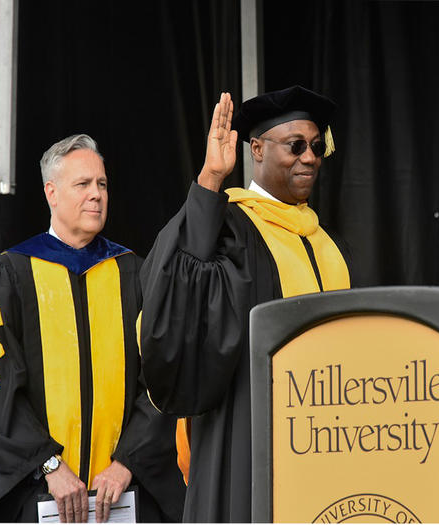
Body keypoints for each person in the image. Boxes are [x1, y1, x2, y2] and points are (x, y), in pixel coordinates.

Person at [139, 85, 352, 522]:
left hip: (328, 440)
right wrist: (211, 181)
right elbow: (177, 289)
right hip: (249, 437)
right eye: (295, 145)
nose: (308, 157)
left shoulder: (325, 242)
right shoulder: (232, 225)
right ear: (256, 148)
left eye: (315, 146)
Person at [0, 134, 185, 522]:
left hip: (124, 494)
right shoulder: (10, 275)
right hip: (38, 494)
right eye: (82, 184)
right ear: (52, 192)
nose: (96, 194)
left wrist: (127, 461)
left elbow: (163, 377)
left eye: (101, 184)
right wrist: (49, 465)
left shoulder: (133, 273)